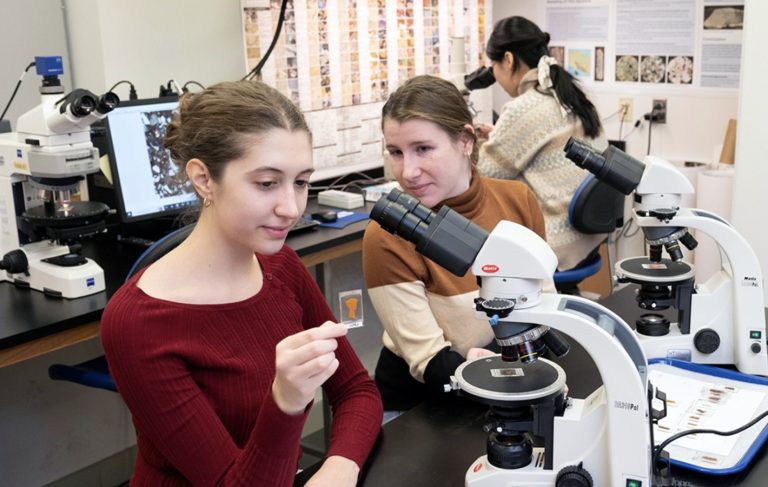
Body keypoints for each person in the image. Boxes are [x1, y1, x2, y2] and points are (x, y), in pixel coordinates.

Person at [101, 80, 382, 486]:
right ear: (203, 179)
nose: (291, 209)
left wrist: (340, 466)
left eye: (301, 182)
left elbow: (356, 390)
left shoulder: (281, 267)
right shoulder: (135, 322)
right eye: (267, 183)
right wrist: (283, 402)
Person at [362, 75, 547, 412]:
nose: (408, 171)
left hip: (506, 377)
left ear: (465, 140)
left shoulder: (518, 200)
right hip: (421, 399)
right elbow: (430, 362)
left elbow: (544, 305)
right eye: (396, 152)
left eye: (423, 149)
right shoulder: (387, 234)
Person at [476, 16, 607, 272]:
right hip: (588, 236)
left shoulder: (524, 108)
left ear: (509, 60)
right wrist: (498, 135)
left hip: (554, 242)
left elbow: (484, 173)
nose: (494, 74)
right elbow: (549, 146)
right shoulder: (567, 94)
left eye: (494, 64)